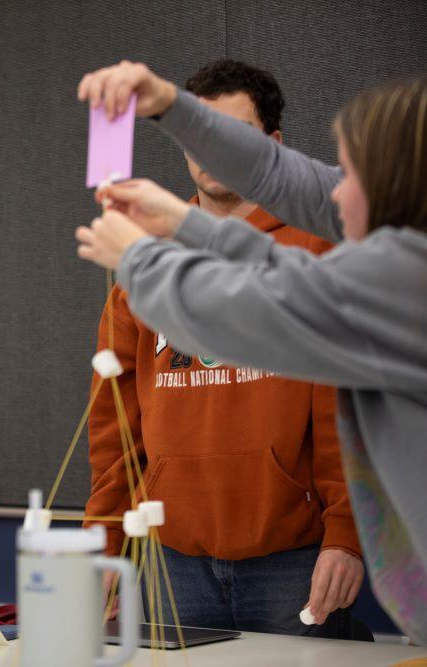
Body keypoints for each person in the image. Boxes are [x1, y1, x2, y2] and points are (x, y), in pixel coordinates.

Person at [75, 62, 427, 645]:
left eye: (349, 174)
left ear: (399, 190)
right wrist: (168, 115)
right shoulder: (392, 259)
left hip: (292, 555)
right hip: (176, 550)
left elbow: (265, 304)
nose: (332, 188)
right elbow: (277, 202)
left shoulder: (399, 281)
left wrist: (140, 257)